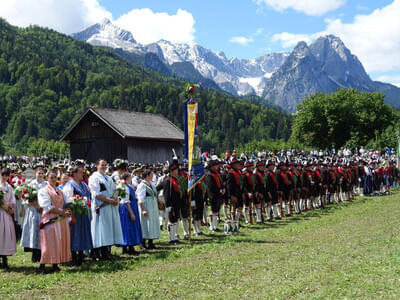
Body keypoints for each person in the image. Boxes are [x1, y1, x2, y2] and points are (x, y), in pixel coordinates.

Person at [37, 170, 72, 274]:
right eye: (51, 177)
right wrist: (62, 212)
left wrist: (68, 209)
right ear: (47, 178)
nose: (53, 179)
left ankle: (55, 264)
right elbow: (47, 206)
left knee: (58, 241)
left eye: (55, 177)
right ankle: (42, 265)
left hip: (61, 220)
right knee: (48, 242)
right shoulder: (43, 191)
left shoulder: (60, 191)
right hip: (50, 220)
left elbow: (64, 203)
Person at [88, 159, 124, 260]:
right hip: (101, 207)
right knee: (100, 230)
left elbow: (113, 191)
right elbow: (96, 193)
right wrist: (109, 200)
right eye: (102, 165)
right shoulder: (94, 177)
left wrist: (116, 197)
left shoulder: (108, 178)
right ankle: (97, 253)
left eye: (105, 165)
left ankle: (106, 252)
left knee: (108, 230)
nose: (103, 167)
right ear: (97, 165)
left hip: (110, 207)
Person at [63, 166, 93, 266]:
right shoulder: (70, 185)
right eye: (80, 172)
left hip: (84, 213)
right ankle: (74, 258)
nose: (83, 174)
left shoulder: (84, 184)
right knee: (74, 234)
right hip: (75, 213)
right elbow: (68, 202)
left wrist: (90, 212)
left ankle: (81, 256)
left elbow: (88, 199)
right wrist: (71, 216)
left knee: (83, 234)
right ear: (75, 174)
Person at [118, 172, 142, 255]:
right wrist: (131, 212)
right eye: (130, 177)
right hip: (128, 209)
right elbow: (125, 201)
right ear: (127, 178)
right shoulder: (125, 187)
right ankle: (129, 247)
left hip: (131, 207)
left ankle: (126, 248)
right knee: (128, 228)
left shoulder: (128, 186)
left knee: (129, 227)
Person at [136, 169, 160, 249]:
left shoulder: (151, 184)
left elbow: (155, 194)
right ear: (147, 176)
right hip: (146, 205)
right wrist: (143, 209)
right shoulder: (142, 185)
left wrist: (158, 201)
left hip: (152, 206)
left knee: (152, 223)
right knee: (145, 224)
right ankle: (142, 242)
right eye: (151, 175)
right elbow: (140, 199)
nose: (152, 176)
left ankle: (151, 241)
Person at [0, 168, 17, 269]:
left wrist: (11, 207)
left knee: (5, 235)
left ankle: (5, 259)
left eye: (7, 175)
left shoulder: (9, 187)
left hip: (6, 214)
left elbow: (12, 199)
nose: (5, 177)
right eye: (3, 175)